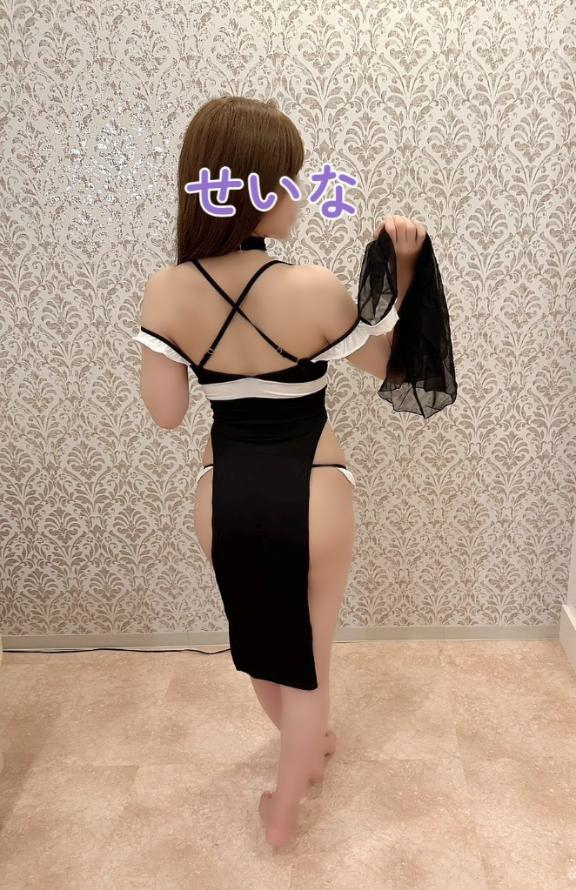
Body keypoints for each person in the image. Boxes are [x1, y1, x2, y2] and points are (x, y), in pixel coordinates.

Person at [131, 95, 456, 849]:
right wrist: (405, 270)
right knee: (310, 653)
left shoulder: (165, 290)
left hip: (225, 495)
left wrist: (178, 343)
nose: (298, 193)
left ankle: (303, 751)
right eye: (287, 179)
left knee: (258, 639)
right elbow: (393, 366)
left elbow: (167, 413)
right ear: (250, 188)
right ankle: (286, 803)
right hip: (315, 488)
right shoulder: (312, 288)